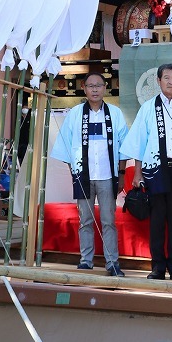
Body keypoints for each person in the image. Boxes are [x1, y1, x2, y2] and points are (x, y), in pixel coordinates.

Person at [121, 63, 172, 282]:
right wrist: (137, 173)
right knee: (156, 221)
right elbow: (139, 142)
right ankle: (157, 266)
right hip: (155, 171)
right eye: (166, 78)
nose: (170, 82)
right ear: (158, 81)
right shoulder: (148, 108)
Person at [51, 73, 129, 276]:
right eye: (90, 86)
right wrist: (74, 173)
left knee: (108, 221)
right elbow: (65, 147)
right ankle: (86, 260)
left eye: (99, 85)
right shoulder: (75, 114)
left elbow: (123, 146)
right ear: (84, 88)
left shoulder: (115, 114)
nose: (95, 89)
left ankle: (112, 262)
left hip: (107, 175)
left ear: (105, 88)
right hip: (83, 175)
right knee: (85, 220)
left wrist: (120, 175)